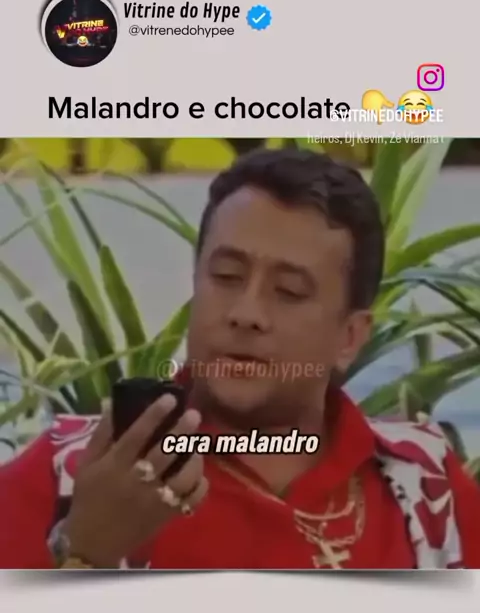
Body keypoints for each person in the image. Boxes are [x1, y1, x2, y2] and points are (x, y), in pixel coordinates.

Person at [1, 147, 480, 570]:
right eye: (227, 277)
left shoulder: (427, 489)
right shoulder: (71, 474)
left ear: (349, 337)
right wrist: (85, 552)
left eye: (288, 292)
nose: (246, 313)